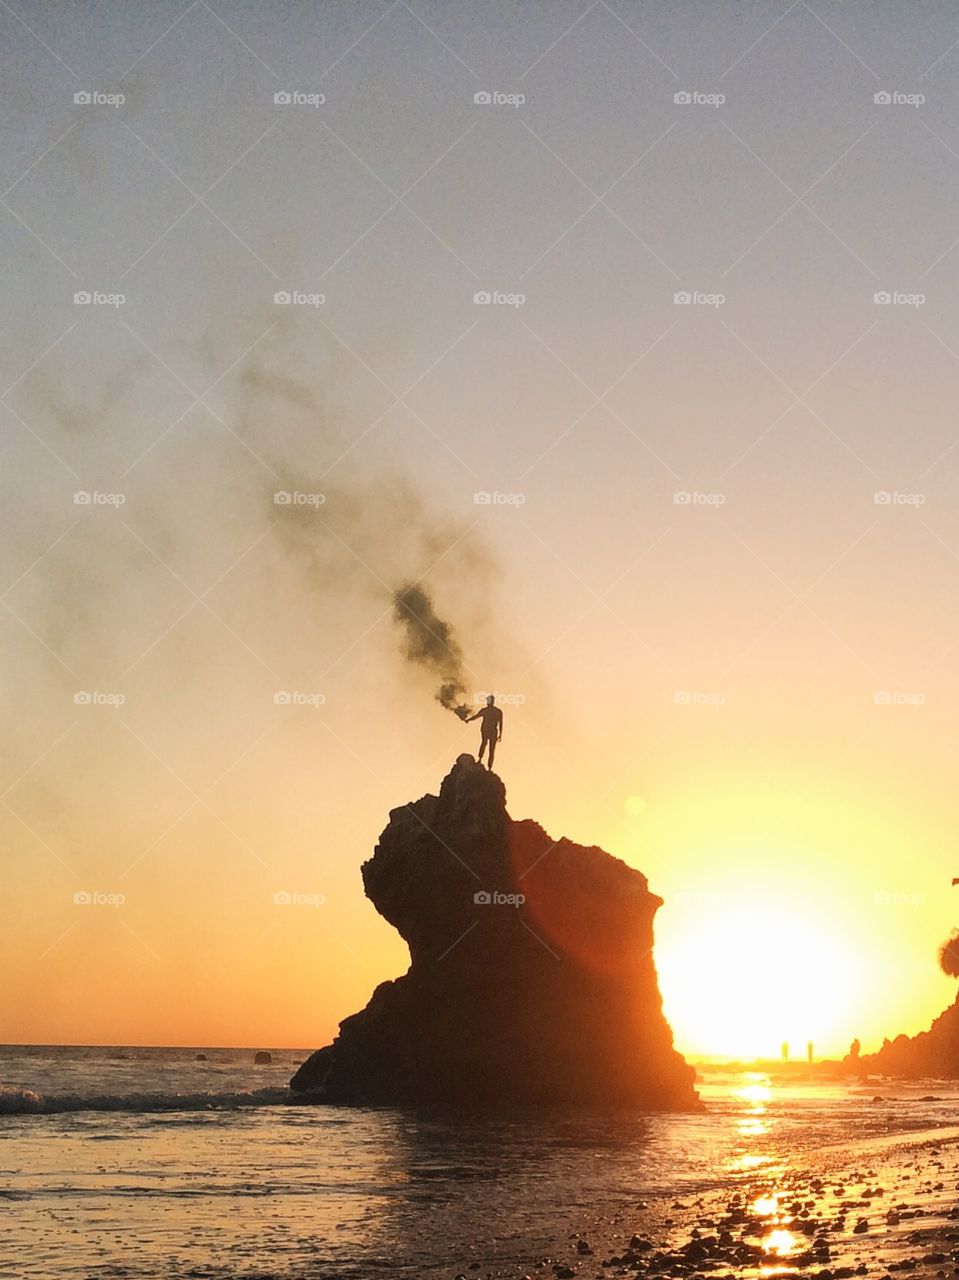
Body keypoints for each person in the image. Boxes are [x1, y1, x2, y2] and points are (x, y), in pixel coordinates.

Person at [467, 694, 503, 770]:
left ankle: (489, 766)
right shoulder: (488, 711)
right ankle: (481, 760)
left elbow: (501, 723)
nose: (487, 702)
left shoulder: (496, 711)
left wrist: (500, 734)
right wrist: (468, 720)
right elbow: (476, 716)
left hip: (491, 731)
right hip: (486, 730)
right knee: (485, 745)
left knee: (489, 748)